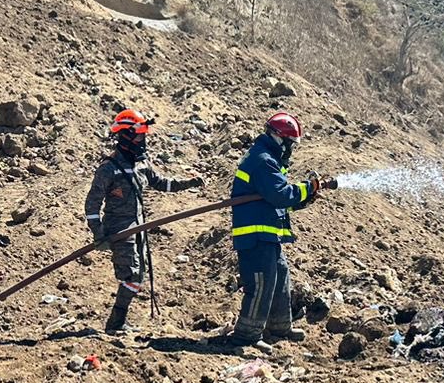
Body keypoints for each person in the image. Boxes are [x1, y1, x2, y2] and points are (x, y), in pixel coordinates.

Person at [84, 110, 204, 335]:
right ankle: (115, 324)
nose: (143, 141)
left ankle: (117, 322)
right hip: (119, 231)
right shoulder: (108, 168)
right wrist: (99, 234)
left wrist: (188, 183)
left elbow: (161, 183)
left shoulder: (141, 165)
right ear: (126, 136)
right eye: (139, 136)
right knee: (131, 275)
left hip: (138, 229)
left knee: (138, 275)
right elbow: (92, 205)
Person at [229, 111, 325, 347]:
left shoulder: (268, 161)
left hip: (267, 234)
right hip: (255, 235)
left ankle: (280, 328)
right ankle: (247, 335)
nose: (291, 150)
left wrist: (303, 199)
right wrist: (305, 188)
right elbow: (280, 195)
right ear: (279, 138)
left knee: (280, 278)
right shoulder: (262, 160)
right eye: (290, 144)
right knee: (261, 284)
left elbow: (273, 203)